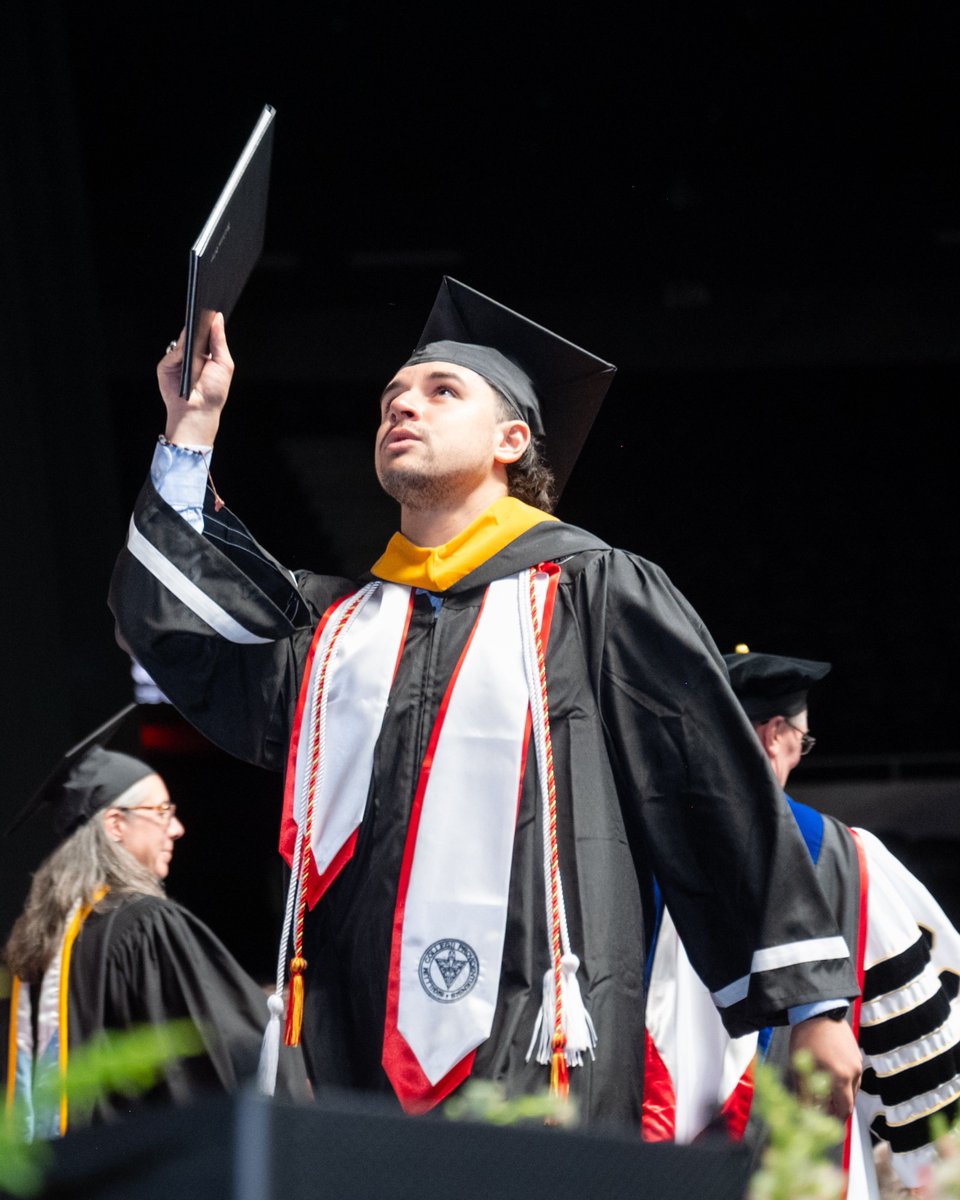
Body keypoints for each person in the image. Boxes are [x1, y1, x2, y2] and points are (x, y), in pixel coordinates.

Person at [107, 276, 861, 1126]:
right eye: (391, 396)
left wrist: (814, 1009)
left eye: (440, 390)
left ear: (511, 438)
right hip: (355, 1054)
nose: (402, 406)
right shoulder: (337, 628)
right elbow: (176, 620)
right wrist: (192, 426)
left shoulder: (593, 594)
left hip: (541, 1036)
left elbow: (709, 783)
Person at [643, 648, 960, 1197]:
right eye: (803, 741)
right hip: (796, 1176)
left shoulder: (626, 848)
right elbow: (925, 1074)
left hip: (630, 1163)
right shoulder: (846, 858)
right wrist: (927, 1171)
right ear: (772, 735)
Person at [1, 705, 308, 1139]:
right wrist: (280, 1014)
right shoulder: (145, 925)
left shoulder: (42, 945)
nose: (177, 827)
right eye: (162, 811)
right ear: (115, 825)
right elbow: (223, 1045)